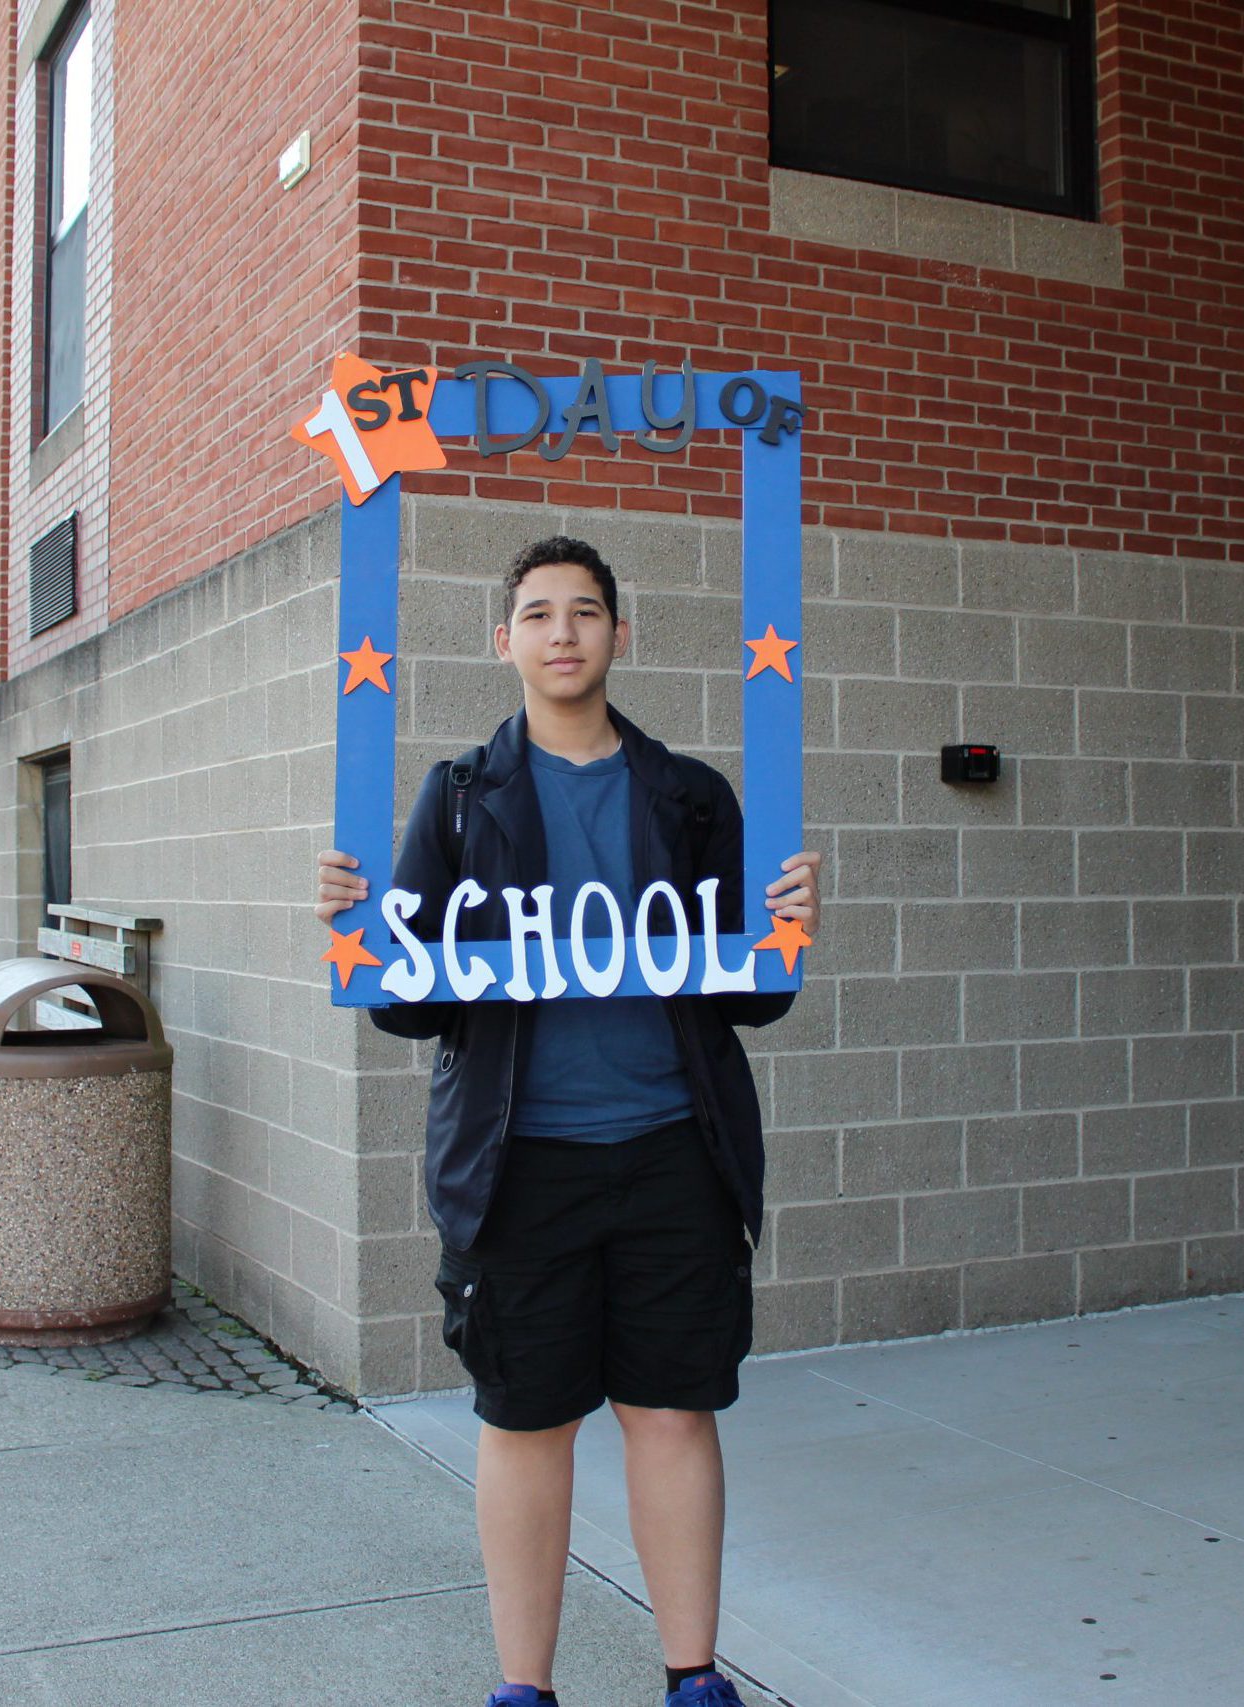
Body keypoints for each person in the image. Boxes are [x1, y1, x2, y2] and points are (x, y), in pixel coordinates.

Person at [317, 535, 821, 1707]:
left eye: (585, 611)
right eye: (537, 613)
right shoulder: (457, 799)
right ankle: (522, 1691)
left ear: (619, 635)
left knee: (671, 1414)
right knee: (527, 1423)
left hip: (670, 1158)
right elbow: (407, 1009)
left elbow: (755, 995)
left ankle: (693, 1679)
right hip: (519, 1167)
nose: (561, 632)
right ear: (503, 641)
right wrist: (366, 930)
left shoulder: (691, 796)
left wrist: (787, 920)